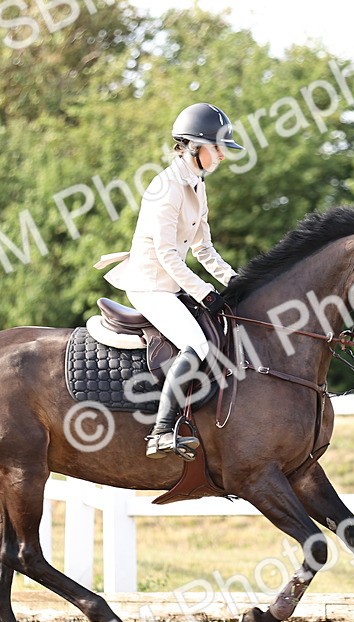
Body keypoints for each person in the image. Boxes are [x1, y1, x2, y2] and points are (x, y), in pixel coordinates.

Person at [101, 103, 244, 458]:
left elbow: (205, 248)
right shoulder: (166, 187)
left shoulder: (196, 183)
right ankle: (161, 432)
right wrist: (206, 293)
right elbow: (166, 253)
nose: (223, 156)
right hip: (150, 283)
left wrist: (238, 281)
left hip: (172, 282)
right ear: (195, 146)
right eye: (219, 147)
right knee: (196, 345)